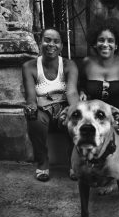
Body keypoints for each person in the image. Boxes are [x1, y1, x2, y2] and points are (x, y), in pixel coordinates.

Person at [22, 27, 79, 182]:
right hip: (43, 110)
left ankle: (74, 163)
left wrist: (74, 111)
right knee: (33, 117)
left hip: (63, 109)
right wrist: (31, 106)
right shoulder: (29, 66)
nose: (51, 44)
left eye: (56, 41)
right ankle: (42, 162)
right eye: (47, 40)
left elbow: (72, 92)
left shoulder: (69, 65)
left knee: (75, 117)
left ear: (61, 46)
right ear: (40, 42)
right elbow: (31, 96)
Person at [79, 17, 119, 142]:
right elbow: (81, 85)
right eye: (101, 40)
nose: (105, 44)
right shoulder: (86, 62)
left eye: (110, 41)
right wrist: (82, 91)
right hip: (95, 118)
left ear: (116, 45)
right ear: (94, 43)